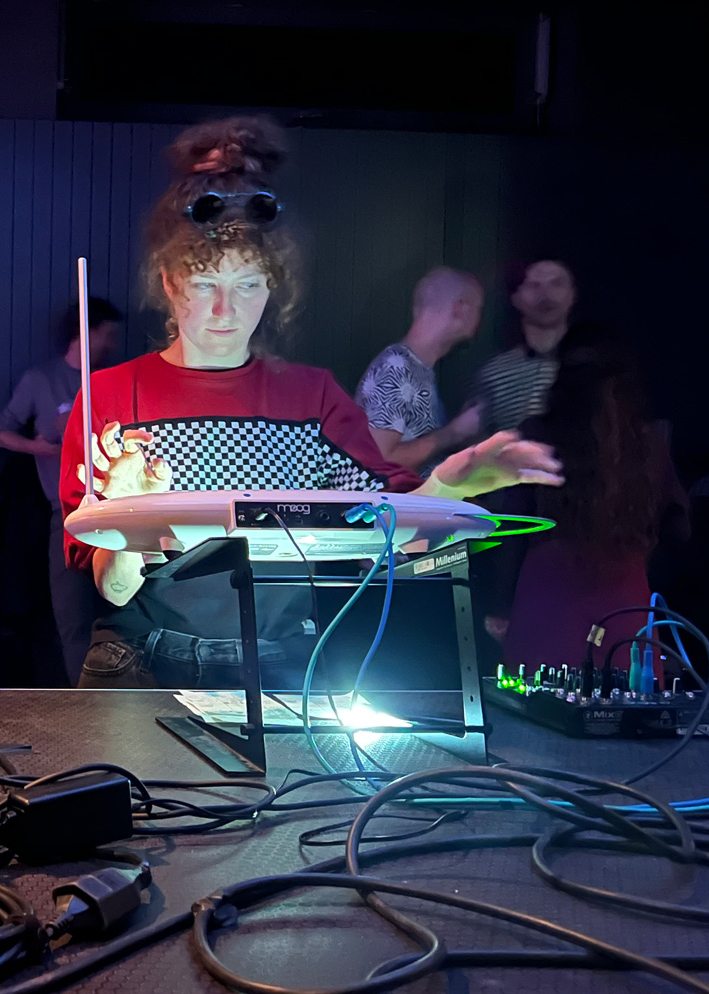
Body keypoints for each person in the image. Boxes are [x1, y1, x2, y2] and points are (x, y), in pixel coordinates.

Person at [59, 116, 562, 692]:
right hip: (143, 658)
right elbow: (113, 587)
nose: (225, 310)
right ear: (171, 283)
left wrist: (455, 481)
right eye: (204, 284)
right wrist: (128, 514)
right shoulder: (111, 397)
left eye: (247, 284)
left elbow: (393, 529)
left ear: (271, 286)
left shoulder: (311, 397)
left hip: (281, 664)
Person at [497, 327, 685, 670]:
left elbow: (512, 528)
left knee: (538, 698)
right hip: (626, 599)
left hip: (548, 600)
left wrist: (499, 604)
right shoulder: (648, 442)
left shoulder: (536, 435)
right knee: (631, 698)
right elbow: (678, 527)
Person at [0, 297, 124, 684]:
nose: (113, 343)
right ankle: (83, 699)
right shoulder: (42, 379)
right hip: (64, 512)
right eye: (108, 334)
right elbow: (0, 432)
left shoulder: (109, 380)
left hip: (115, 512)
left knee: (118, 611)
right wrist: (46, 449)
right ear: (87, 332)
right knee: (72, 616)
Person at [355, 267, 484, 473]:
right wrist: (453, 433)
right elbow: (377, 462)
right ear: (460, 309)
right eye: (478, 308)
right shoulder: (395, 367)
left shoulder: (419, 369)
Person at [471, 259, 576, 435]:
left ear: (572, 294)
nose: (546, 294)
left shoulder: (595, 363)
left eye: (556, 283)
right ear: (516, 298)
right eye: (534, 285)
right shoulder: (493, 375)